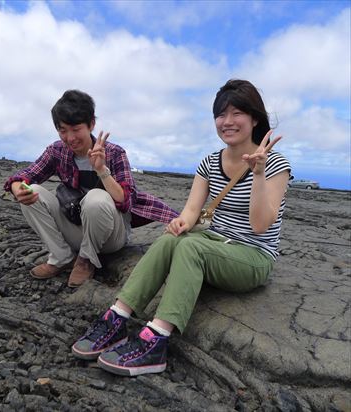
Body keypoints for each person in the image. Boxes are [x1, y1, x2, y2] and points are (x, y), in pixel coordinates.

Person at [71, 79, 292, 376]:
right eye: (220, 115)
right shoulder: (210, 162)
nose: (227, 122)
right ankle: (118, 317)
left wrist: (259, 173)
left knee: (190, 246)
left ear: (254, 118)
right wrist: (180, 223)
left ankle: (157, 341)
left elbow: (260, 225)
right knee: (170, 239)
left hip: (252, 255)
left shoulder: (275, 164)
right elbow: (191, 212)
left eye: (236, 113)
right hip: (215, 240)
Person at [4, 90, 178, 288]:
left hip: (112, 235)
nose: (70, 138)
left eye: (76, 129)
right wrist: (18, 188)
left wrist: (102, 170)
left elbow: (126, 200)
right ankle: (62, 258)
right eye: (62, 131)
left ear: (91, 124)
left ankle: (86, 260)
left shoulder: (114, 153)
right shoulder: (57, 151)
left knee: (96, 197)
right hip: (77, 226)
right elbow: (24, 176)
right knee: (30, 191)